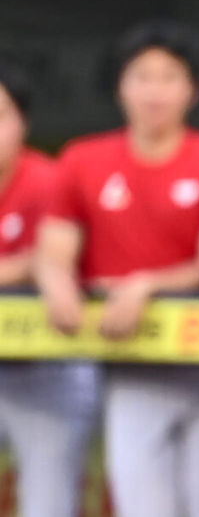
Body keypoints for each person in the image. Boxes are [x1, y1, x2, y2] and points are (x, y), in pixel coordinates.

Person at [34, 22, 199, 517]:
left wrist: (146, 284)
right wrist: (56, 284)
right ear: (120, 86)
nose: (155, 91)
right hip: (132, 364)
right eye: (142, 77)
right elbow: (54, 252)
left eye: (169, 77)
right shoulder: (82, 159)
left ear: (192, 89)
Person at [0, 64, 99, 517]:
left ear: (22, 122)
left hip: (50, 367)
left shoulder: (49, 178)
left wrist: (32, 266)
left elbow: (58, 261)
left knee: (48, 504)